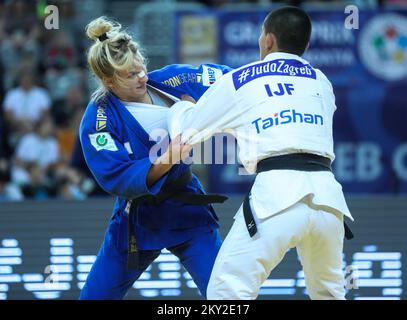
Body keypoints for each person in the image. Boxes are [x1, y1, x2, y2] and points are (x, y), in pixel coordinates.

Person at [167, 6, 354, 300]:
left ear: (267, 41)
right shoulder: (321, 81)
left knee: (227, 291)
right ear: (304, 45)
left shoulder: (241, 79)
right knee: (329, 293)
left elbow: (187, 133)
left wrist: (183, 106)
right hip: (329, 202)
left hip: (278, 197)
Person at [79, 16, 231, 299]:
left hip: (187, 209)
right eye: (131, 75)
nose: (143, 77)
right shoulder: (98, 119)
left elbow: (230, 79)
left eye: (142, 68)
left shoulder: (169, 82)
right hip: (138, 220)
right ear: (109, 81)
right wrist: (170, 156)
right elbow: (118, 177)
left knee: (226, 296)